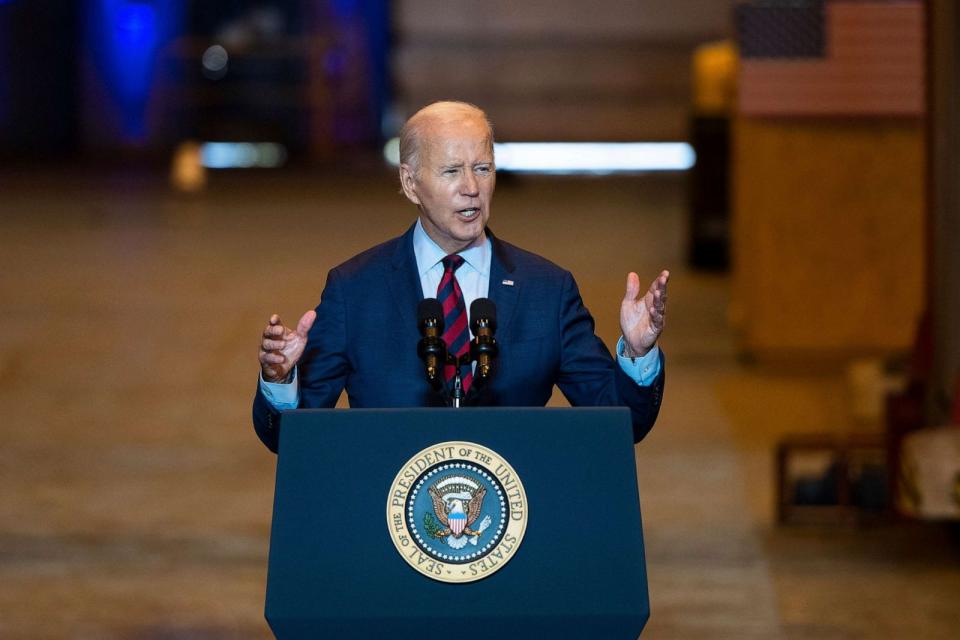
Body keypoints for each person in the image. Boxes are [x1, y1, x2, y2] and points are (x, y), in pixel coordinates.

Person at [253, 101, 669, 453]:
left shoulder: (547, 290)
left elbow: (622, 425)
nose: (472, 187)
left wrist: (636, 356)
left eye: (483, 169)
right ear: (410, 183)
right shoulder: (355, 289)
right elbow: (293, 439)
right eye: (452, 171)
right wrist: (281, 380)